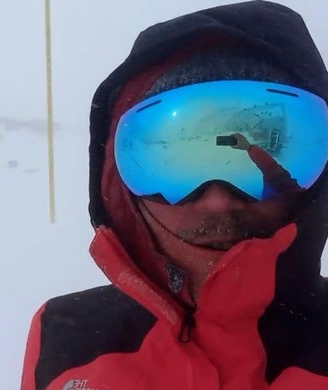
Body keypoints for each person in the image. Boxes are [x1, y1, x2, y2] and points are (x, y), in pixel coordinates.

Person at [21, 1, 328, 389]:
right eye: (173, 159)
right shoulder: (63, 340)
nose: (217, 200)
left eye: (248, 172)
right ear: (117, 181)